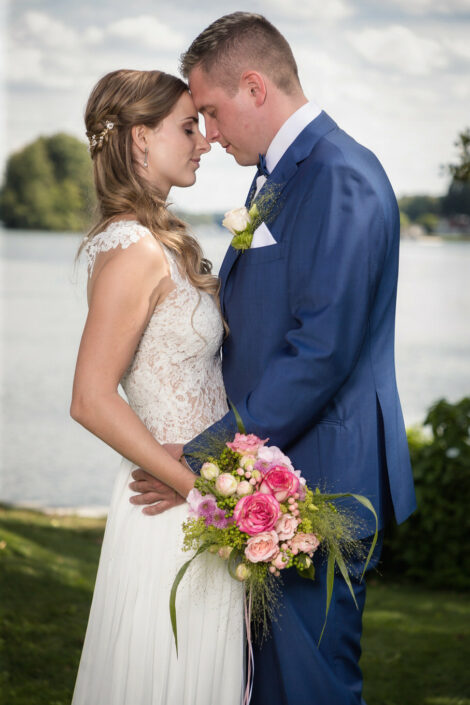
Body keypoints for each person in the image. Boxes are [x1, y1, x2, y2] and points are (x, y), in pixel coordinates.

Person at [130, 12, 417, 705]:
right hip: (276, 472)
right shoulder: (284, 175)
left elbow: (319, 353)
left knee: (307, 689)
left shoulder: (339, 176)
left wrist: (202, 459)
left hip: (319, 484)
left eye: (211, 112)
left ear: (254, 87)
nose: (211, 134)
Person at [70, 68, 244, 705]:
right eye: (188, 126)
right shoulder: (135, 250)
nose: (203, 140)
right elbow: (90, 397)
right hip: (169, 507)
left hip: (193, 499)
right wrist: (195, 487)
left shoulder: (158, 241)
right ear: (140, 139)